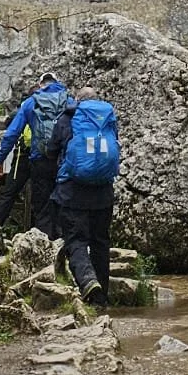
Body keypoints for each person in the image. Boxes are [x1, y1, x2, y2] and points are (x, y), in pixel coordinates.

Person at [50, 85, 120, 308]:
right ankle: (103, 296)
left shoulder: (68, 119)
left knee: (76, 241)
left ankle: (90, 284)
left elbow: (51, 149)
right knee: (100, 243)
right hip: (103, 193)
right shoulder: (107, 119)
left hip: (72, 192)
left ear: (77, 101)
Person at [0, 72, 71, 237]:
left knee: (41, 203)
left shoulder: (31, 102)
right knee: (61, 201)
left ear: (41, 84)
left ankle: (43, 245)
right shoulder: (68, 102)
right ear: (56, 83)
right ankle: (62, 245)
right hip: (63, 161)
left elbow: (12, 133)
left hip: (39, 159)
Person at [0, 119, 31, 232]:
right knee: (44, 198)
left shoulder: (25, 108)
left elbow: (10, 132)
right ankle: (46, 236)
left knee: (8, 194)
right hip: (46, 159)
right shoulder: (60, 105)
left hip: (22, 158)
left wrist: (0, 159)